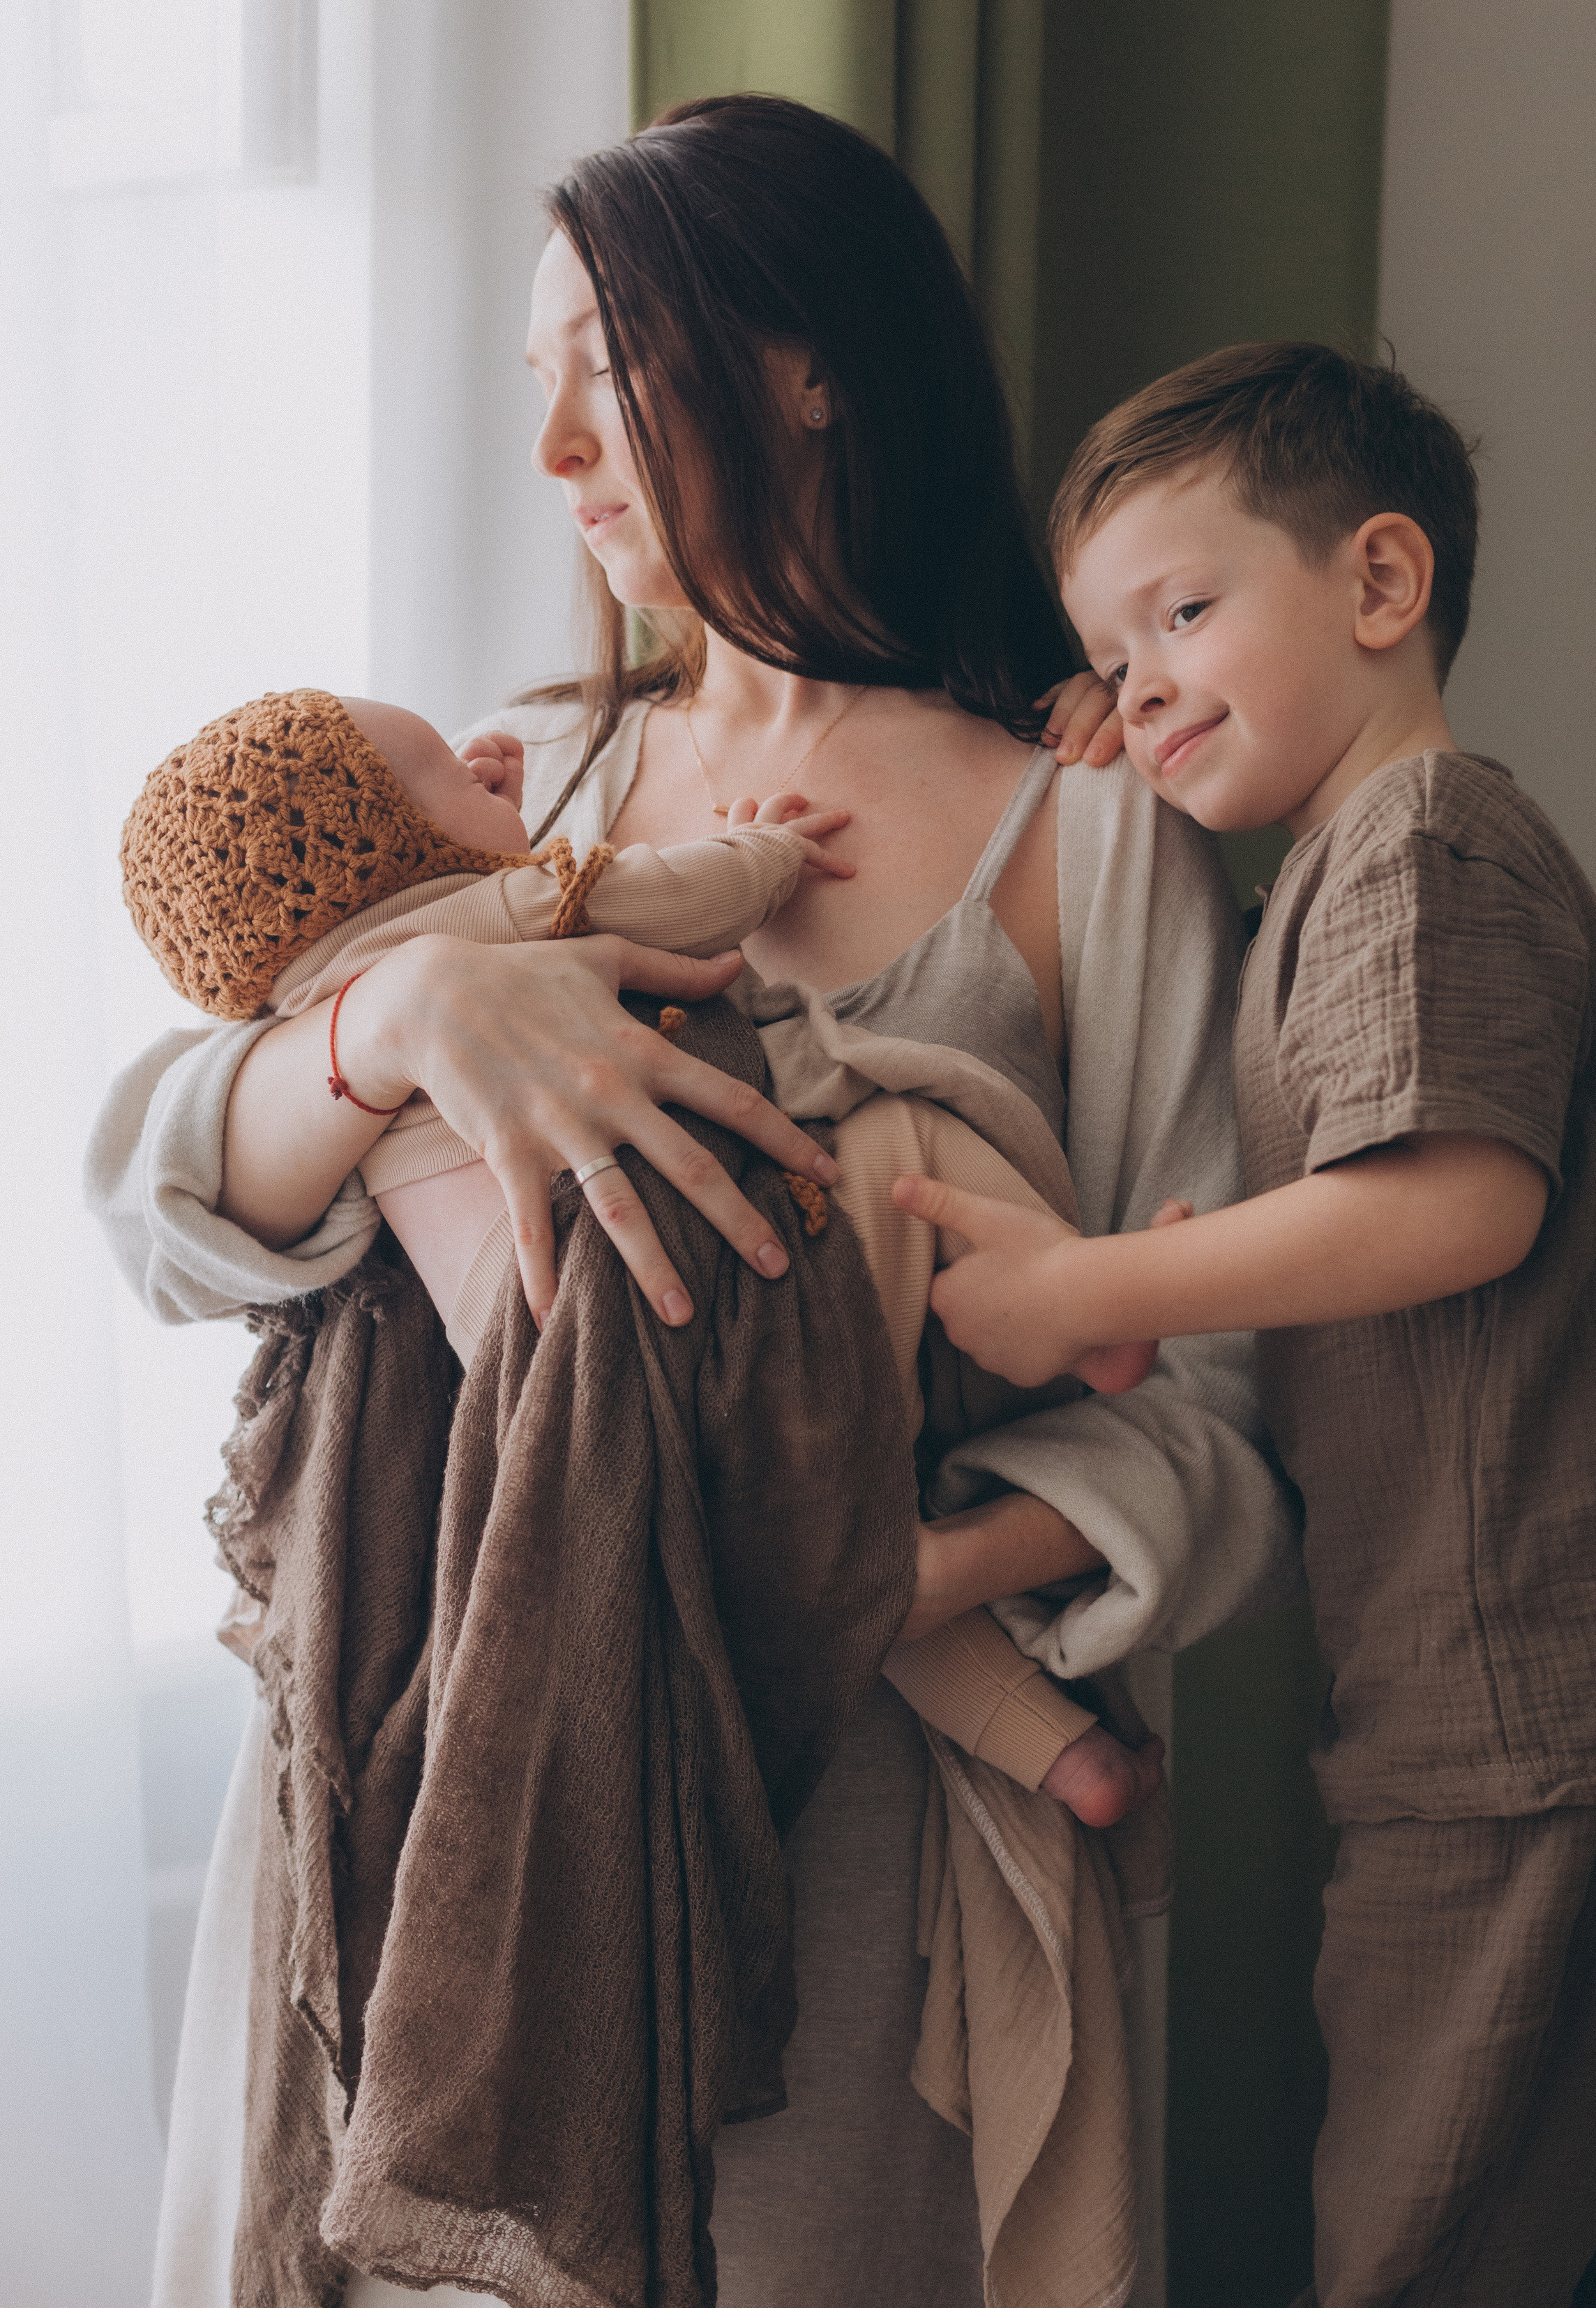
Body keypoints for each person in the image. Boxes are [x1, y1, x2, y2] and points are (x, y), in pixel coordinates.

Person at [89, 96, 1299, 2308]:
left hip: (835, 1858)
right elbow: (150, 1198)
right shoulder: (514, 784)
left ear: (810, 366)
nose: (552, 445)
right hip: (437, 1783)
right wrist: (393, 1026)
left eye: (610, 368)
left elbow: (1227, 1418)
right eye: (535, 376)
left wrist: (871, 1582)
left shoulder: (1085, 842)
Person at [898, 340, 1596, 2308]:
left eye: (1184, 615)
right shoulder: (1340, 873)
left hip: (1539, 1690)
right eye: (1108, 661)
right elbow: (1367, 1191)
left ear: (1381, 583)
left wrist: (1093, 1281)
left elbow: (1454, 1203)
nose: (1141, 692)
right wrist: (1153, 707)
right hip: (1585, 1667)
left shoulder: (1420, 846)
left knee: (1406, 2293)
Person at [118, 681, 1162, 1822]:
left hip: (548, 1398)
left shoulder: (293, 1006)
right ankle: (1085, 1315)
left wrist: (385, 985)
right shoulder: (518, 901)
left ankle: (1069, 1759)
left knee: (824, 1552)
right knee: (904, 1147)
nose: (483, 758)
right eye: (441, 771)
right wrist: (761, 853)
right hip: (694, 1292)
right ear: (394, 842)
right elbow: (686, 900)